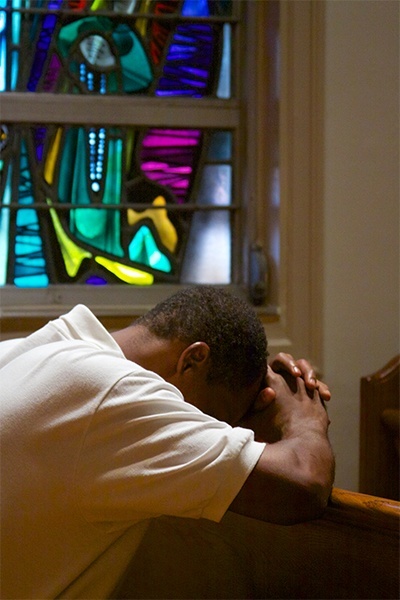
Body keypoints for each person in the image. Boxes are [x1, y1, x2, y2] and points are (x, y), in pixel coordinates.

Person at [0, 286, 334, 599]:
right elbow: (303, 484)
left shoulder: (41, 347)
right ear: (192, 359)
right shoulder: (116, 394)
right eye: (215, 416)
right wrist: (304, 418)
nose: (205, 428)